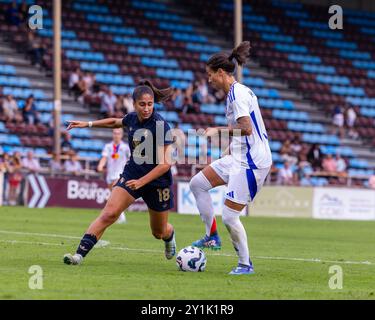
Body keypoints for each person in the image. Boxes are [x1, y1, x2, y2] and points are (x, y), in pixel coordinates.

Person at [63, 79, 176, 266]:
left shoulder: (161, 125)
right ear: (134, 104)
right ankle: (78, 256)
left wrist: (142, 182)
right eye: (142, 104)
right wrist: (87, 124)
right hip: (132, 174)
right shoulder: (132, 118)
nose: (147, 108)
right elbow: (115, 122)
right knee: (109, 214)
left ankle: (169, 236)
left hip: (157, 181)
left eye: (150, 104)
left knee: (159, 232)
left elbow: (166, 164)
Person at [189, 41, 272, 275]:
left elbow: (246, 129)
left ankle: (245, 264)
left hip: (252, 162)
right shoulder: (235, 93)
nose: (208, 80)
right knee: (197, 184)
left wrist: (217, 129)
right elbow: (243, 134)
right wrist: (224, 155)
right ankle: (211, 237)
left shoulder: (237, 95)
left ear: (221, 72)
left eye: (210, 75)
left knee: (229, 216)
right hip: (239, 156)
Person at [97, 128, 131, 224]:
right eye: (115, 133)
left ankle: (120, 217)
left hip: (120, 174)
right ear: (112, 134)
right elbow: (104, 158)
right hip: (110, 175)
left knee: (114, 195)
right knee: (113, 197)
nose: (116, 135)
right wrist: (100, 165)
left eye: (118, 133)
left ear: (121, 135)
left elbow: (130, 159)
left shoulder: (125, 147)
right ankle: (118, 215)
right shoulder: (108, 146)